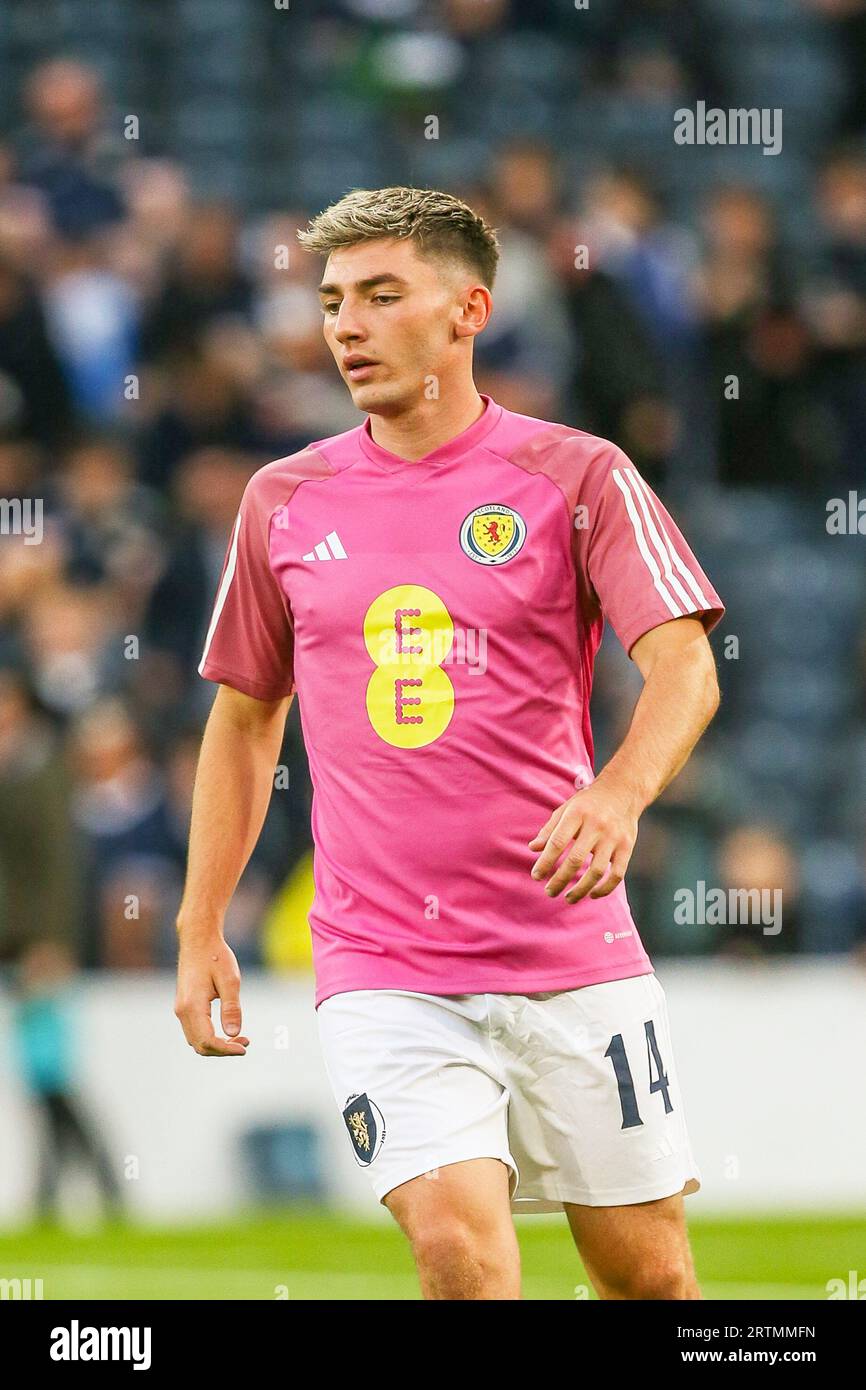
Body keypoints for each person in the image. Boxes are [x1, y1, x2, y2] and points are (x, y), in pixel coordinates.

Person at [174, 186, 725, 1301]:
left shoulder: (575, 476)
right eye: (332, 301)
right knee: (460, 1258)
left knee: (650, 1277)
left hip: (569, 951)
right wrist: (198, 925)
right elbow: (242, 717)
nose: (346, 326)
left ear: (468, 310)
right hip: (385, 963)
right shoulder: (282, 500)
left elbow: (682, 666)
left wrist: (616, 796)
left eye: (382, 295)